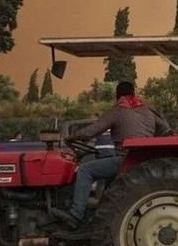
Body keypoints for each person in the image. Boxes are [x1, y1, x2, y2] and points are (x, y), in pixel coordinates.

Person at [53, 81, 169, 228]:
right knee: (108, 180)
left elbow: (92, 130)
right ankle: (98, 217)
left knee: (85, 170)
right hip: (142, 160)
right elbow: (165, 128)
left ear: (117, 96)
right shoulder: (148, 110)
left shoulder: (118, 111)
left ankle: (75, 214)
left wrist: (72, 137)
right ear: (134, 93)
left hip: (125, 160)